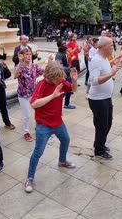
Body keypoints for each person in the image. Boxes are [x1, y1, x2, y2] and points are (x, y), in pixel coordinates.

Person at [24, 62, 78, 193]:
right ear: (50, 76)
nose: (60, 81)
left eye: (61, 78)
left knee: (66, 140)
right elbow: (34, 104)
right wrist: (53, 96)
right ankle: (29, 178)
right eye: (58, 79)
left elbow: (73, 89)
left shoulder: (59, 80)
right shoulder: (41, 85)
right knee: (38, 152)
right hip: (43, 125)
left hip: (57, 122)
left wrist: (74, 80)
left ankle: (62, 161)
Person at [88, 36, 122, 159]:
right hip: (98, 99)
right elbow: (94, 81)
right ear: (103, 47)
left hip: (106, 97)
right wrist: (112, 73)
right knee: (102, 125)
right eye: (111, 45)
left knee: (108, 123)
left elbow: (106, 71)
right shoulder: (96, 60)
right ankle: (99, 150)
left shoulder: (104, 59)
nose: (113, 47)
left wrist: (114, 67)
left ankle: (100, 144)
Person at [15, 48, 51, 142]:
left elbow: (43, 72)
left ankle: (38, 127)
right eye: (26, 54)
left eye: (29, 54)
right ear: (22, 56)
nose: (28, 56)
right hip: (23, 94)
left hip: (33, 93)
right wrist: (19, 63)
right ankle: (26, 132)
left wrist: (48, 61)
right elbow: (15, 75)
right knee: (26, 114)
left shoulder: (34, 66)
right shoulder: (20, 66)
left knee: (38, 110)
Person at [55, 40, 76, 109]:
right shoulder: (59, 55)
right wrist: (69, 69)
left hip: (67, 74)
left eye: (65, 43)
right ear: (60, 46)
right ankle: (65, 104)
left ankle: (65, 103)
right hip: (64, 76)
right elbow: (59, 66)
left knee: (68, 90)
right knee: (67, 90)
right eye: (63, 44)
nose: (65, 45)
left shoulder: (64, 53)